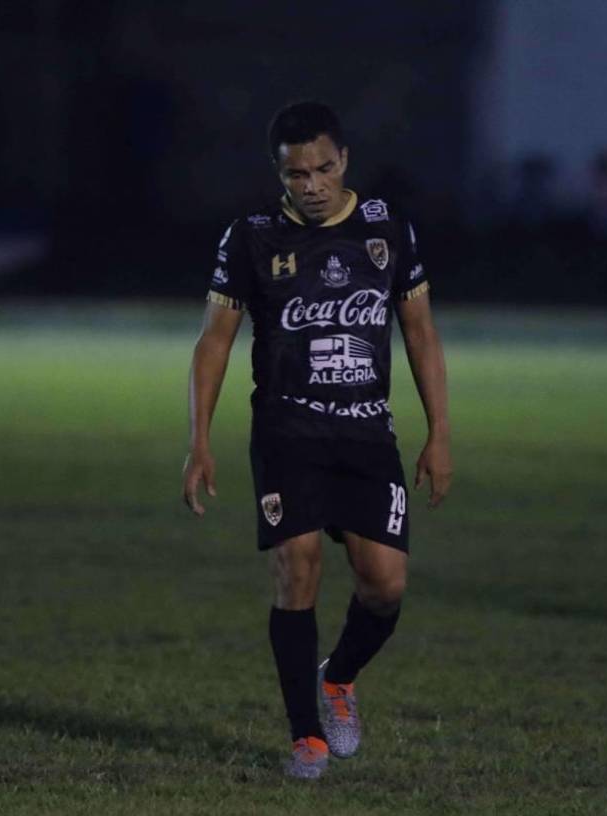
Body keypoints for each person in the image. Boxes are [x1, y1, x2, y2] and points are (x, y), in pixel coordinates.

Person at [182, 101, 452, 778]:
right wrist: (200, 439)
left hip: (367, 432)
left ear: (344, 161)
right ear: (279, 172)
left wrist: (439, 433)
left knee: (385, 586)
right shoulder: (250, 238)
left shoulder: (388, 229)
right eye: (296, 173)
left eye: (323, 168)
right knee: (296, 566)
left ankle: (339, 677)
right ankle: (306, 737)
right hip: (287, 428)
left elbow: (419, 331)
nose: (311, 184)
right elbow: (215, 341)